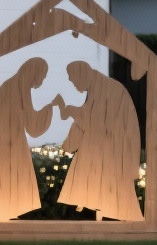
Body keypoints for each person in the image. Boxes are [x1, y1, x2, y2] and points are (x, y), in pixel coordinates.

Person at [55, 60, 143, 221]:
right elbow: (89, 118)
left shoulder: (108, 88)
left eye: (74, 80)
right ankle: (103, 219)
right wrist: (69, 142)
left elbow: (93, 120)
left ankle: (125, 222)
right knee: (101, 188)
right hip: (105, 146)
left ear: (83, 74)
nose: (74, 85)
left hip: (114, 149)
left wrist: (69, 110)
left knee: (113, 189)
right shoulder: (98, 87)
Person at [0, 57, 53, 221]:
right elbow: (32, 125)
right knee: (9, 178)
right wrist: (50, 107)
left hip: (10, 141)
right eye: (42, 75)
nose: (42, 80)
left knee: (12, 179)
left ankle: (4, 216)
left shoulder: (16, 86)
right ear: (34, 72)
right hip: (8, 143)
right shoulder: (17, 87)